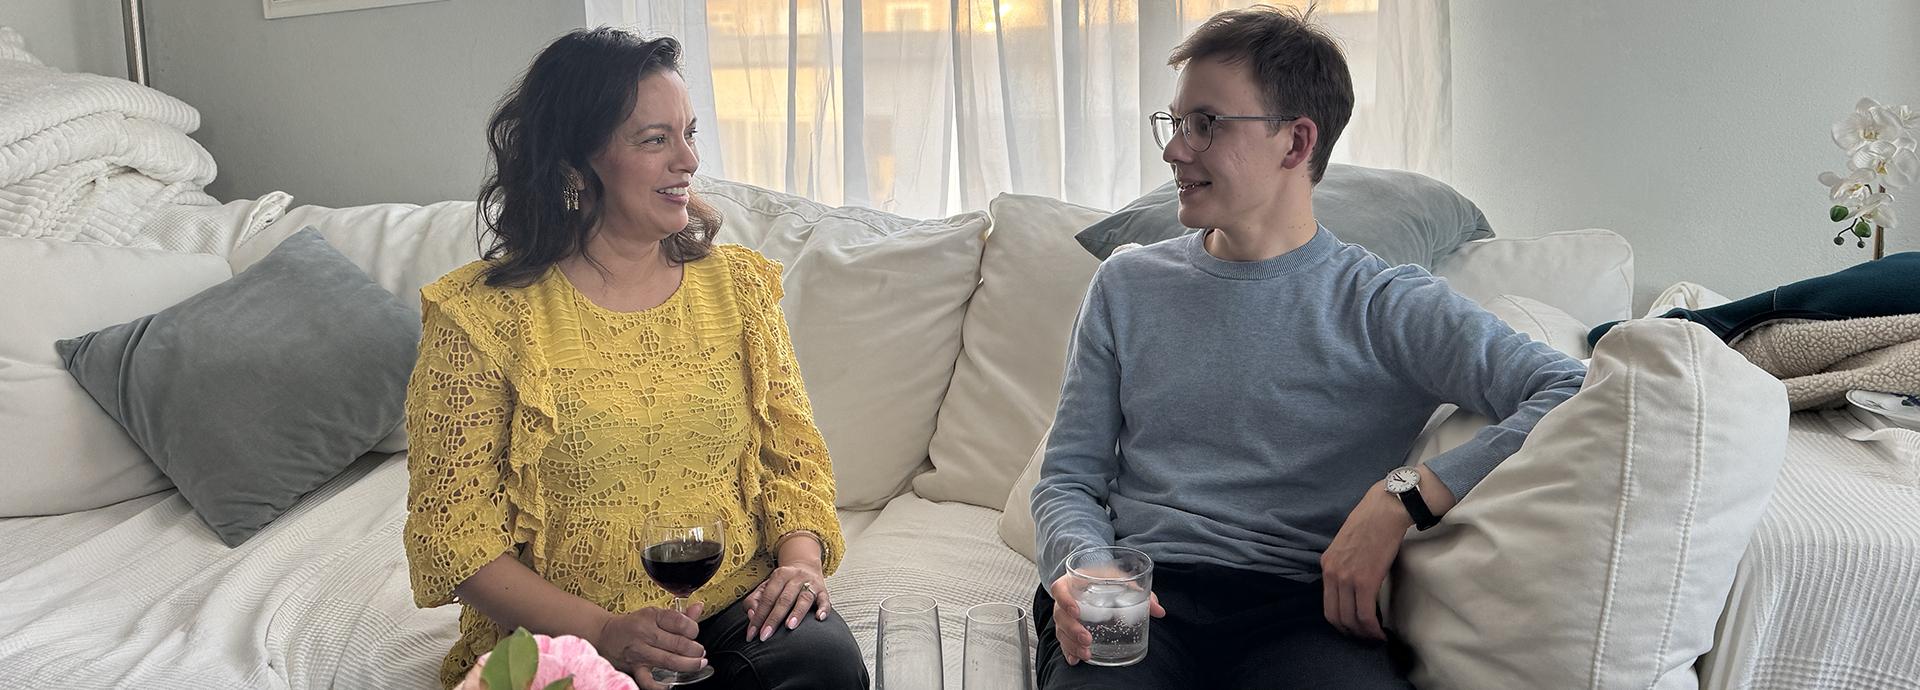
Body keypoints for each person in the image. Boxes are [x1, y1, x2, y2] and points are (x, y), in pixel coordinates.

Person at [1029, 6, 1587, 688]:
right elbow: (1068, 477)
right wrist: (1083, 566)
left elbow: (1569, 389)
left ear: (1295, 143)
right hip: (1135, 596)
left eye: (1205, 123)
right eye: (1174, 124)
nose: (1176, 150)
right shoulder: (1128, 283)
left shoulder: (1387, 305)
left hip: (1300, 611)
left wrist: (1402, 497)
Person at [402, 28, 866, 690]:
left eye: (690, 133)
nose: (689, 160)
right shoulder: (478, 320)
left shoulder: (739, 289)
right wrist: (602, 632)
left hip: (733, 605)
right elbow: (455, 540)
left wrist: (801, 566)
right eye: (655, 140)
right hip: (565, 633)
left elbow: (792, 464)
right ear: (574, 165)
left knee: (823, 664)